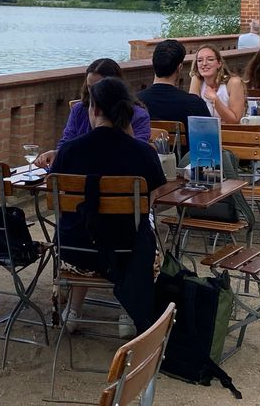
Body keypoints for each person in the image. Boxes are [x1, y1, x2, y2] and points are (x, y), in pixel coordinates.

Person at [49, 76, 168, 331]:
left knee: (90, 224)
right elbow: (153, 199)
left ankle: (73, 310)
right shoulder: (143, 152)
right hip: (127, 252)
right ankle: (128, 311)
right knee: (140, 230)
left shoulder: (69, 151)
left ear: (96, 109)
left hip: (75, 252)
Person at [39, 58, 151, 168]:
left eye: (98, 88)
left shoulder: (138, 115)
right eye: (89, 87)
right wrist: (56, 153)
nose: (93, 94)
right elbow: (67, 141)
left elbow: (138, 155)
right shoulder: (79, 109)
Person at [136, 39, 210, 124]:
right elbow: (209, 136)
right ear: (180, 68)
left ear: (154, 64)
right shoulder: (194, 104)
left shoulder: (135, 102)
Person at [188, 44, 246, 123]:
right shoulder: (197, 80)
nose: (204, 64)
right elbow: (192, 114)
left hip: (229, 132)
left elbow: (235, 121)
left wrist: (215, 100)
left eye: (210, 59)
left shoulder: (233, 82)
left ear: (219, 63)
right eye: (200, 60)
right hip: (205, 131)